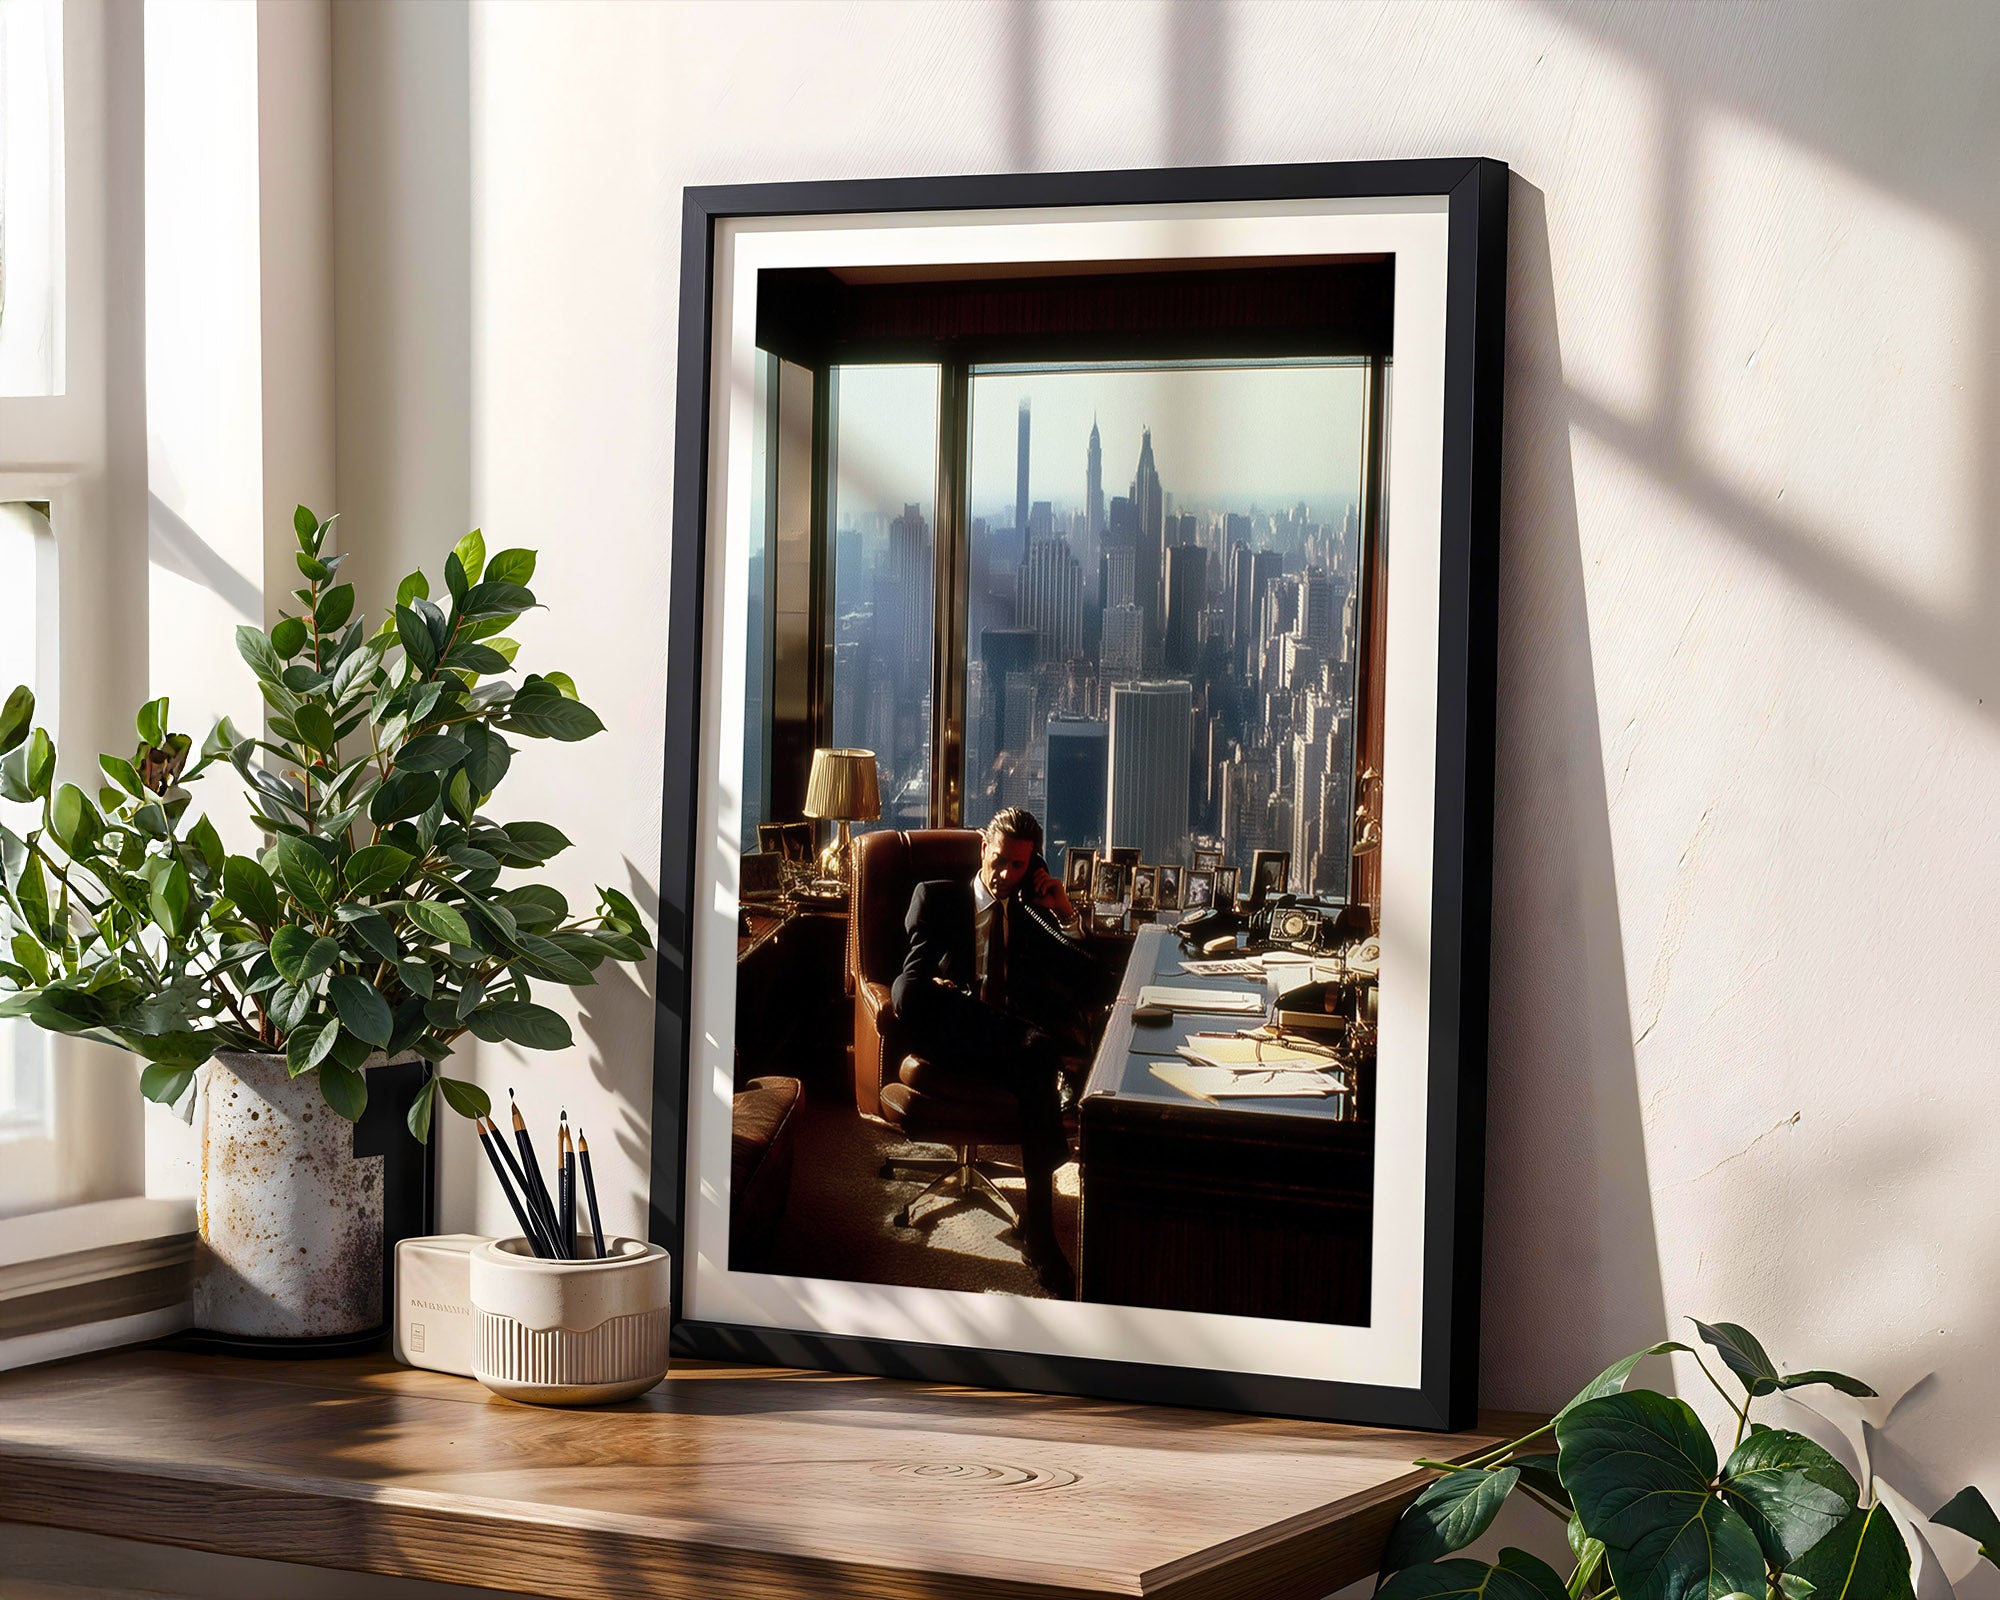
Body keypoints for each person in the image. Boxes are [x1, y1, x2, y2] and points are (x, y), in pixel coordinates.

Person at [890, 808, 1079, 1299]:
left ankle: (1040, 1233)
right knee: (1035, 1051)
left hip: (1006, 1043)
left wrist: (1064, 912)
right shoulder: (936, 896)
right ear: (982, 850)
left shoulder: (1028, 911)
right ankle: (1040, 1234)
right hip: (953, 1032)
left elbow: (1086, 972)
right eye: (999, 862)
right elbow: (909, 985)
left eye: (1019, 866)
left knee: (1034, 1057)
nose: (1005, 876)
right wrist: (940, 989)